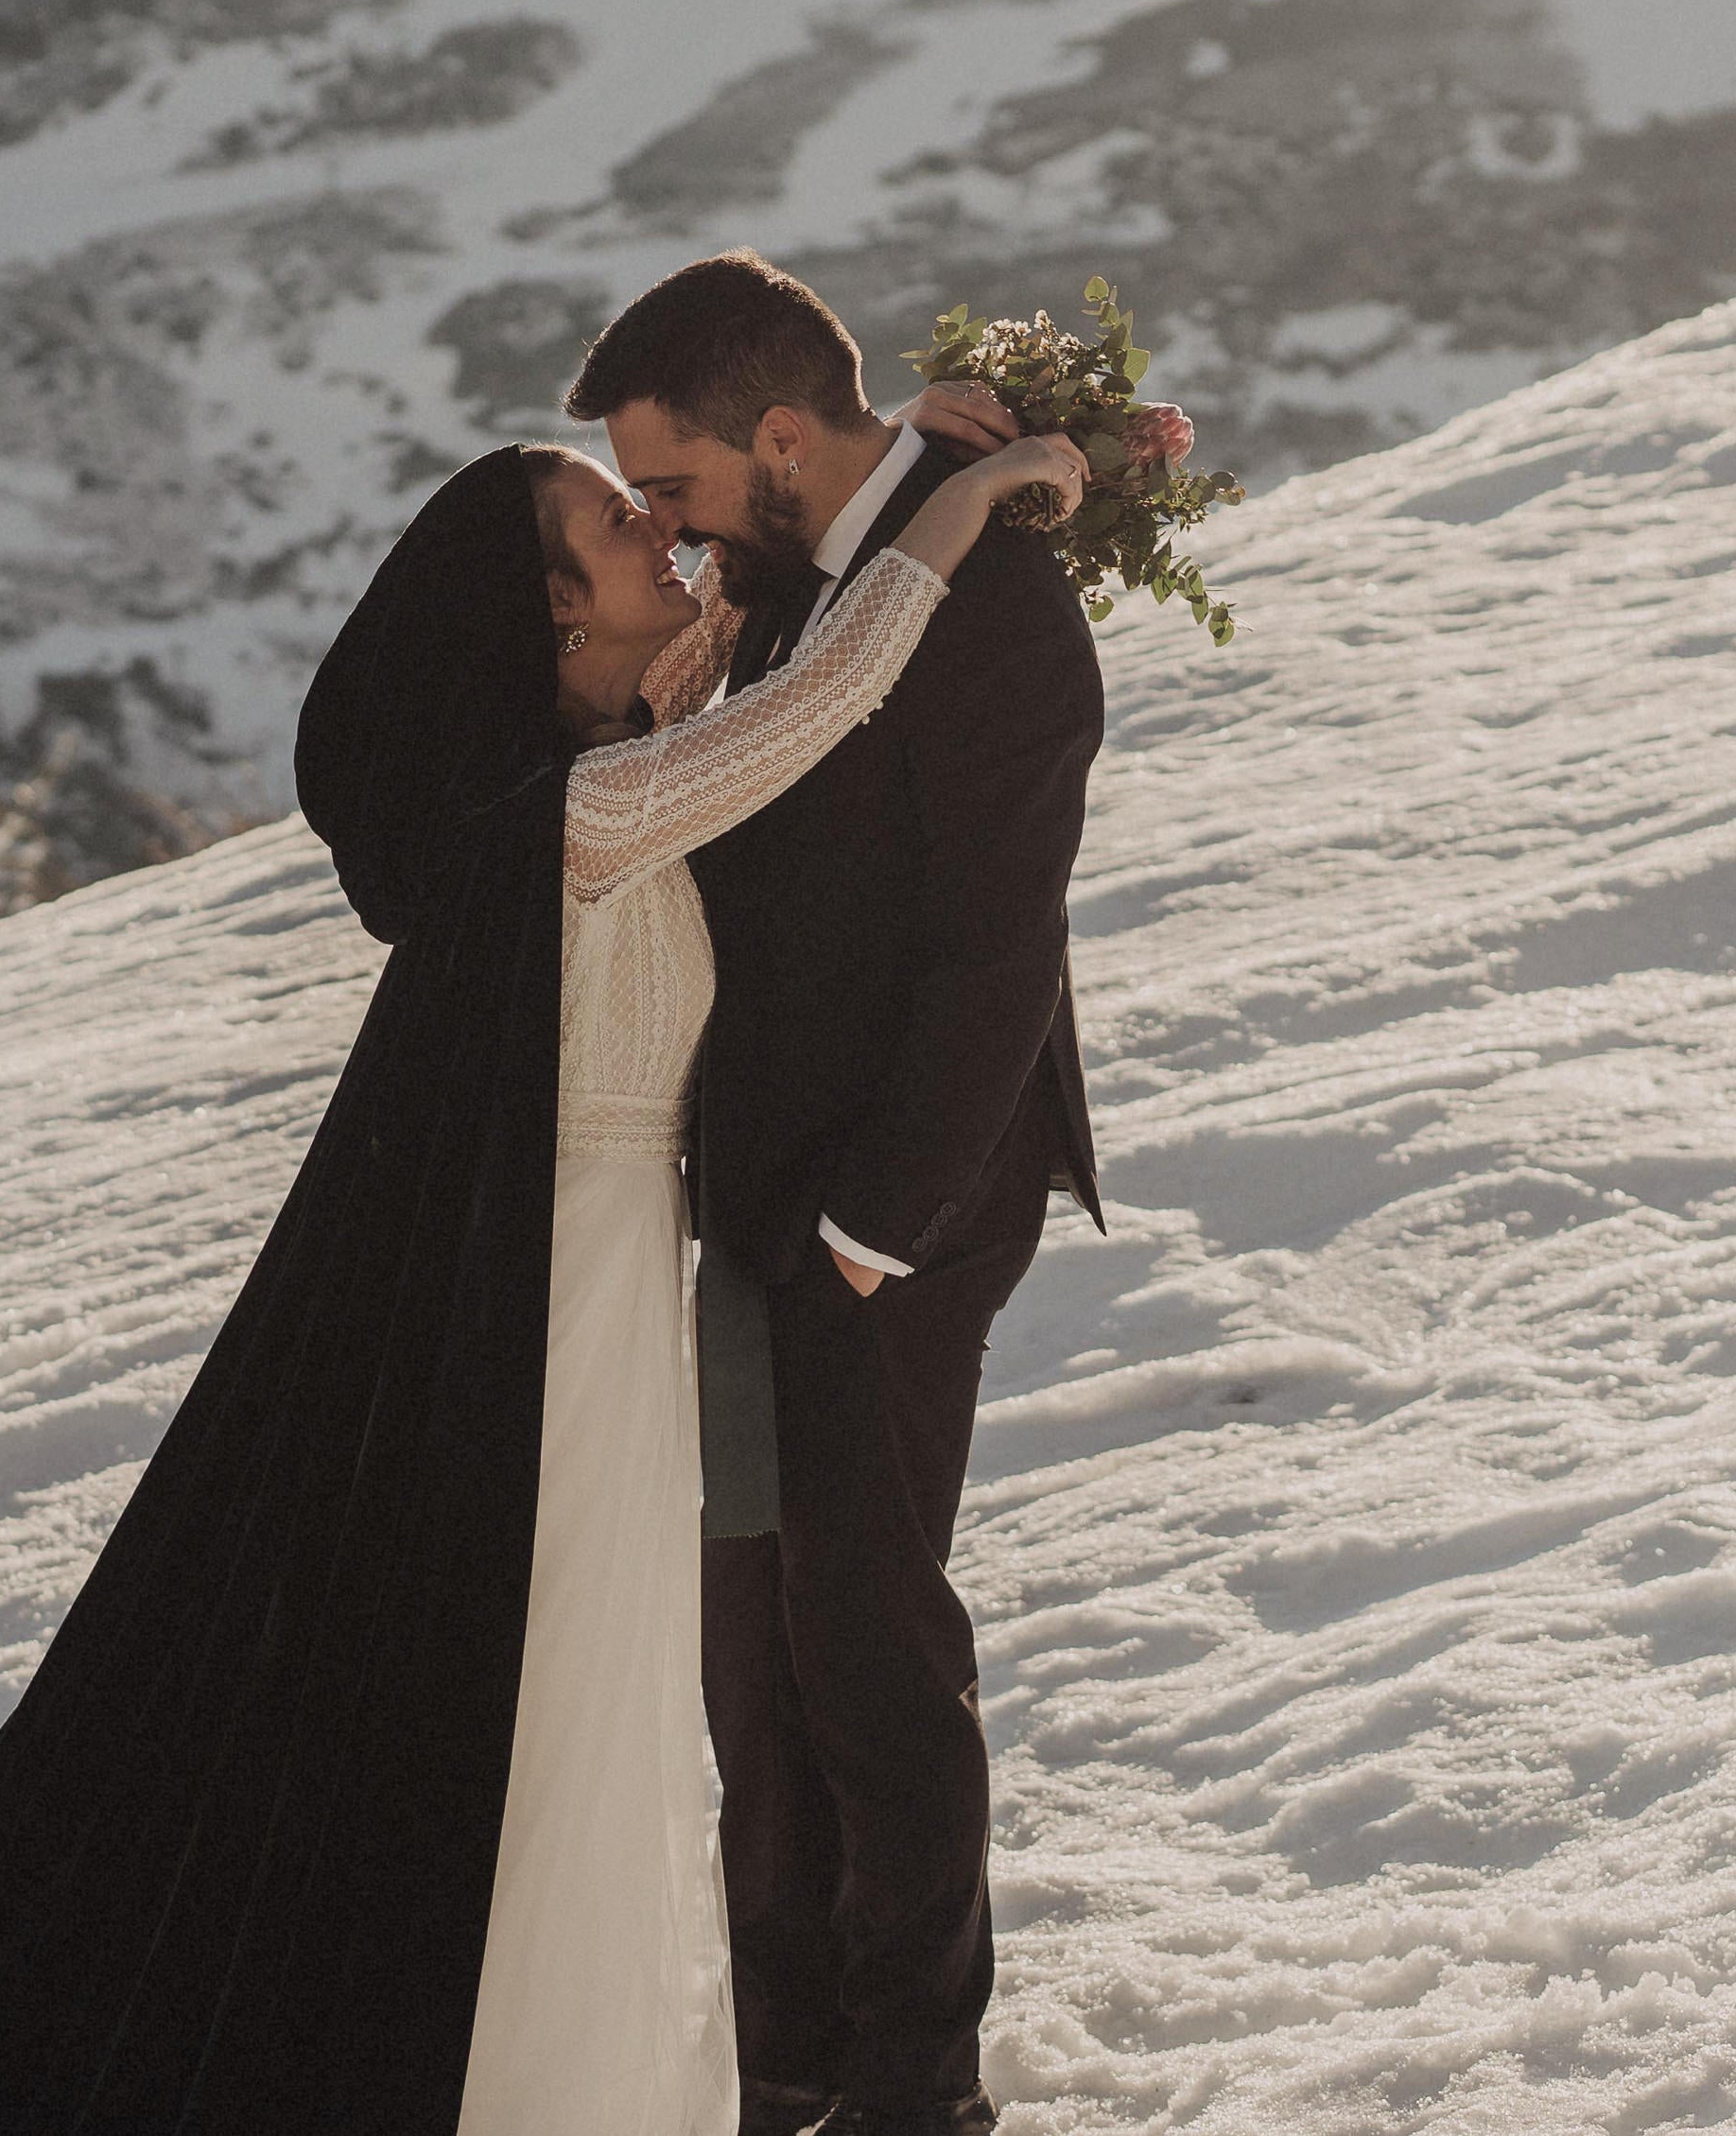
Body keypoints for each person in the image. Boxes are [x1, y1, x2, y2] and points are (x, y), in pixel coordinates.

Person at [0, 405, 1087, 2136]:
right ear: (556, 617)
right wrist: (958, 507)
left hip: (590, 1308)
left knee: (588, 1687)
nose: (667, 541)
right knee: (550, 1683)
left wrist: (897, 459)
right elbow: (824, 697)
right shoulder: (575, 821)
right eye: (616, 524)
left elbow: (739, 643)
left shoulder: (599, 781)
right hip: (556, 1325)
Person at [570, 253, 1108, 2136]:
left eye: (681, 485)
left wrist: (881, 1227)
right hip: (751, 1196)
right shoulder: (799, 572)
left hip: (900, 1205)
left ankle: (910, 2080)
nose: (661, 524)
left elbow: (993, 946)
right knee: (755, 1639)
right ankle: (780, 2042)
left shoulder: (997, 611)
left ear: (780, 435)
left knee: (869, 1641)